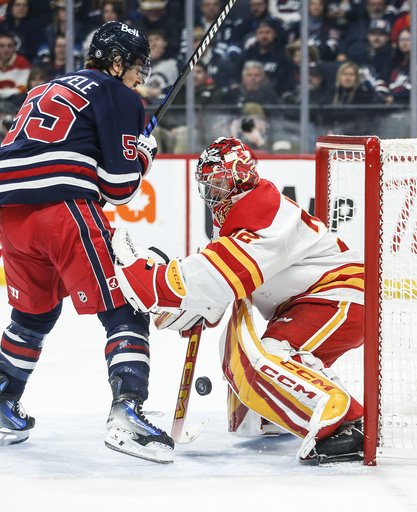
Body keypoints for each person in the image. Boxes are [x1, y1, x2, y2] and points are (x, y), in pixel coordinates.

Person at [111, 136, 365, 464]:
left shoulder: (263, 206)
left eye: (216, 183)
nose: (211, 194)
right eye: (207, 186)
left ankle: (347, 422)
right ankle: (285, 415)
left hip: (339, 294)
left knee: (266, 358)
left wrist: (151, 280)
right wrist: (183, 306)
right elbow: (215, 292)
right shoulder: (238, 216)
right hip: (308, 304)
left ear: (238, 175)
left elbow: (220, 275)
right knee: (248, 414)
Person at [0, 20, 174, 464]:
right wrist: (144, 156)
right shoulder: (116, 93)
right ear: (115, 62)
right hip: (62, 210)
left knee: (32, 315)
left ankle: (2, 404)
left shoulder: (43, 88)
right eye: (137, 66)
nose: (141, 76)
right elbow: (118, 188)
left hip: (9, 212)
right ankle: (127, 414)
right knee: (126, 307)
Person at [0, 31, 31, 100]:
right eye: (1, 46)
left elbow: (22, 89)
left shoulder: (22, 63)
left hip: (14, 101)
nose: (6, 50)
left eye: (9, 46)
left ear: (15, 47)